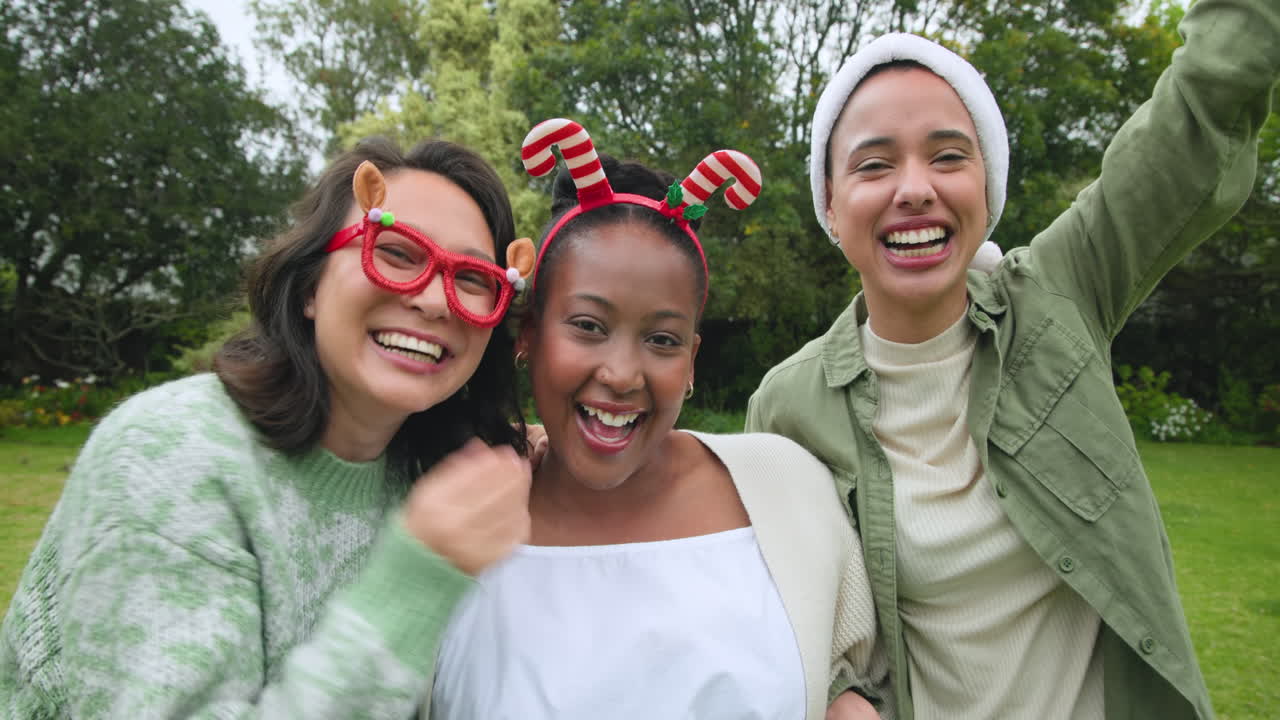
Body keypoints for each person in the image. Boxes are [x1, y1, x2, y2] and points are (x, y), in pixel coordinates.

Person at [746, 1, 1280, 718]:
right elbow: (782, 615)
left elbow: (1204, 105)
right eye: (875, 164)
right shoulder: (788, 407)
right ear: (831, 207)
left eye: (947, 156)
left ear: (986, 186)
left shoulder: (1061, 293)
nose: (914, 188)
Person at [0, 138, 539, 718]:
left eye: (473, 278)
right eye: (397, 253)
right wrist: (415, 584)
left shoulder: (431, 477)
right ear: (309, 286)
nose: (435, 301)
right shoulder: (169, 455)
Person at [426, 118, 889, 720]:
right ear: (528, 336)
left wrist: (847, 700)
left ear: (692, 359)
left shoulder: (787, 488)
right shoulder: (447, 503)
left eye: (662, 339)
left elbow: (855, 671)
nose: (622, 373)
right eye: (588, 326)